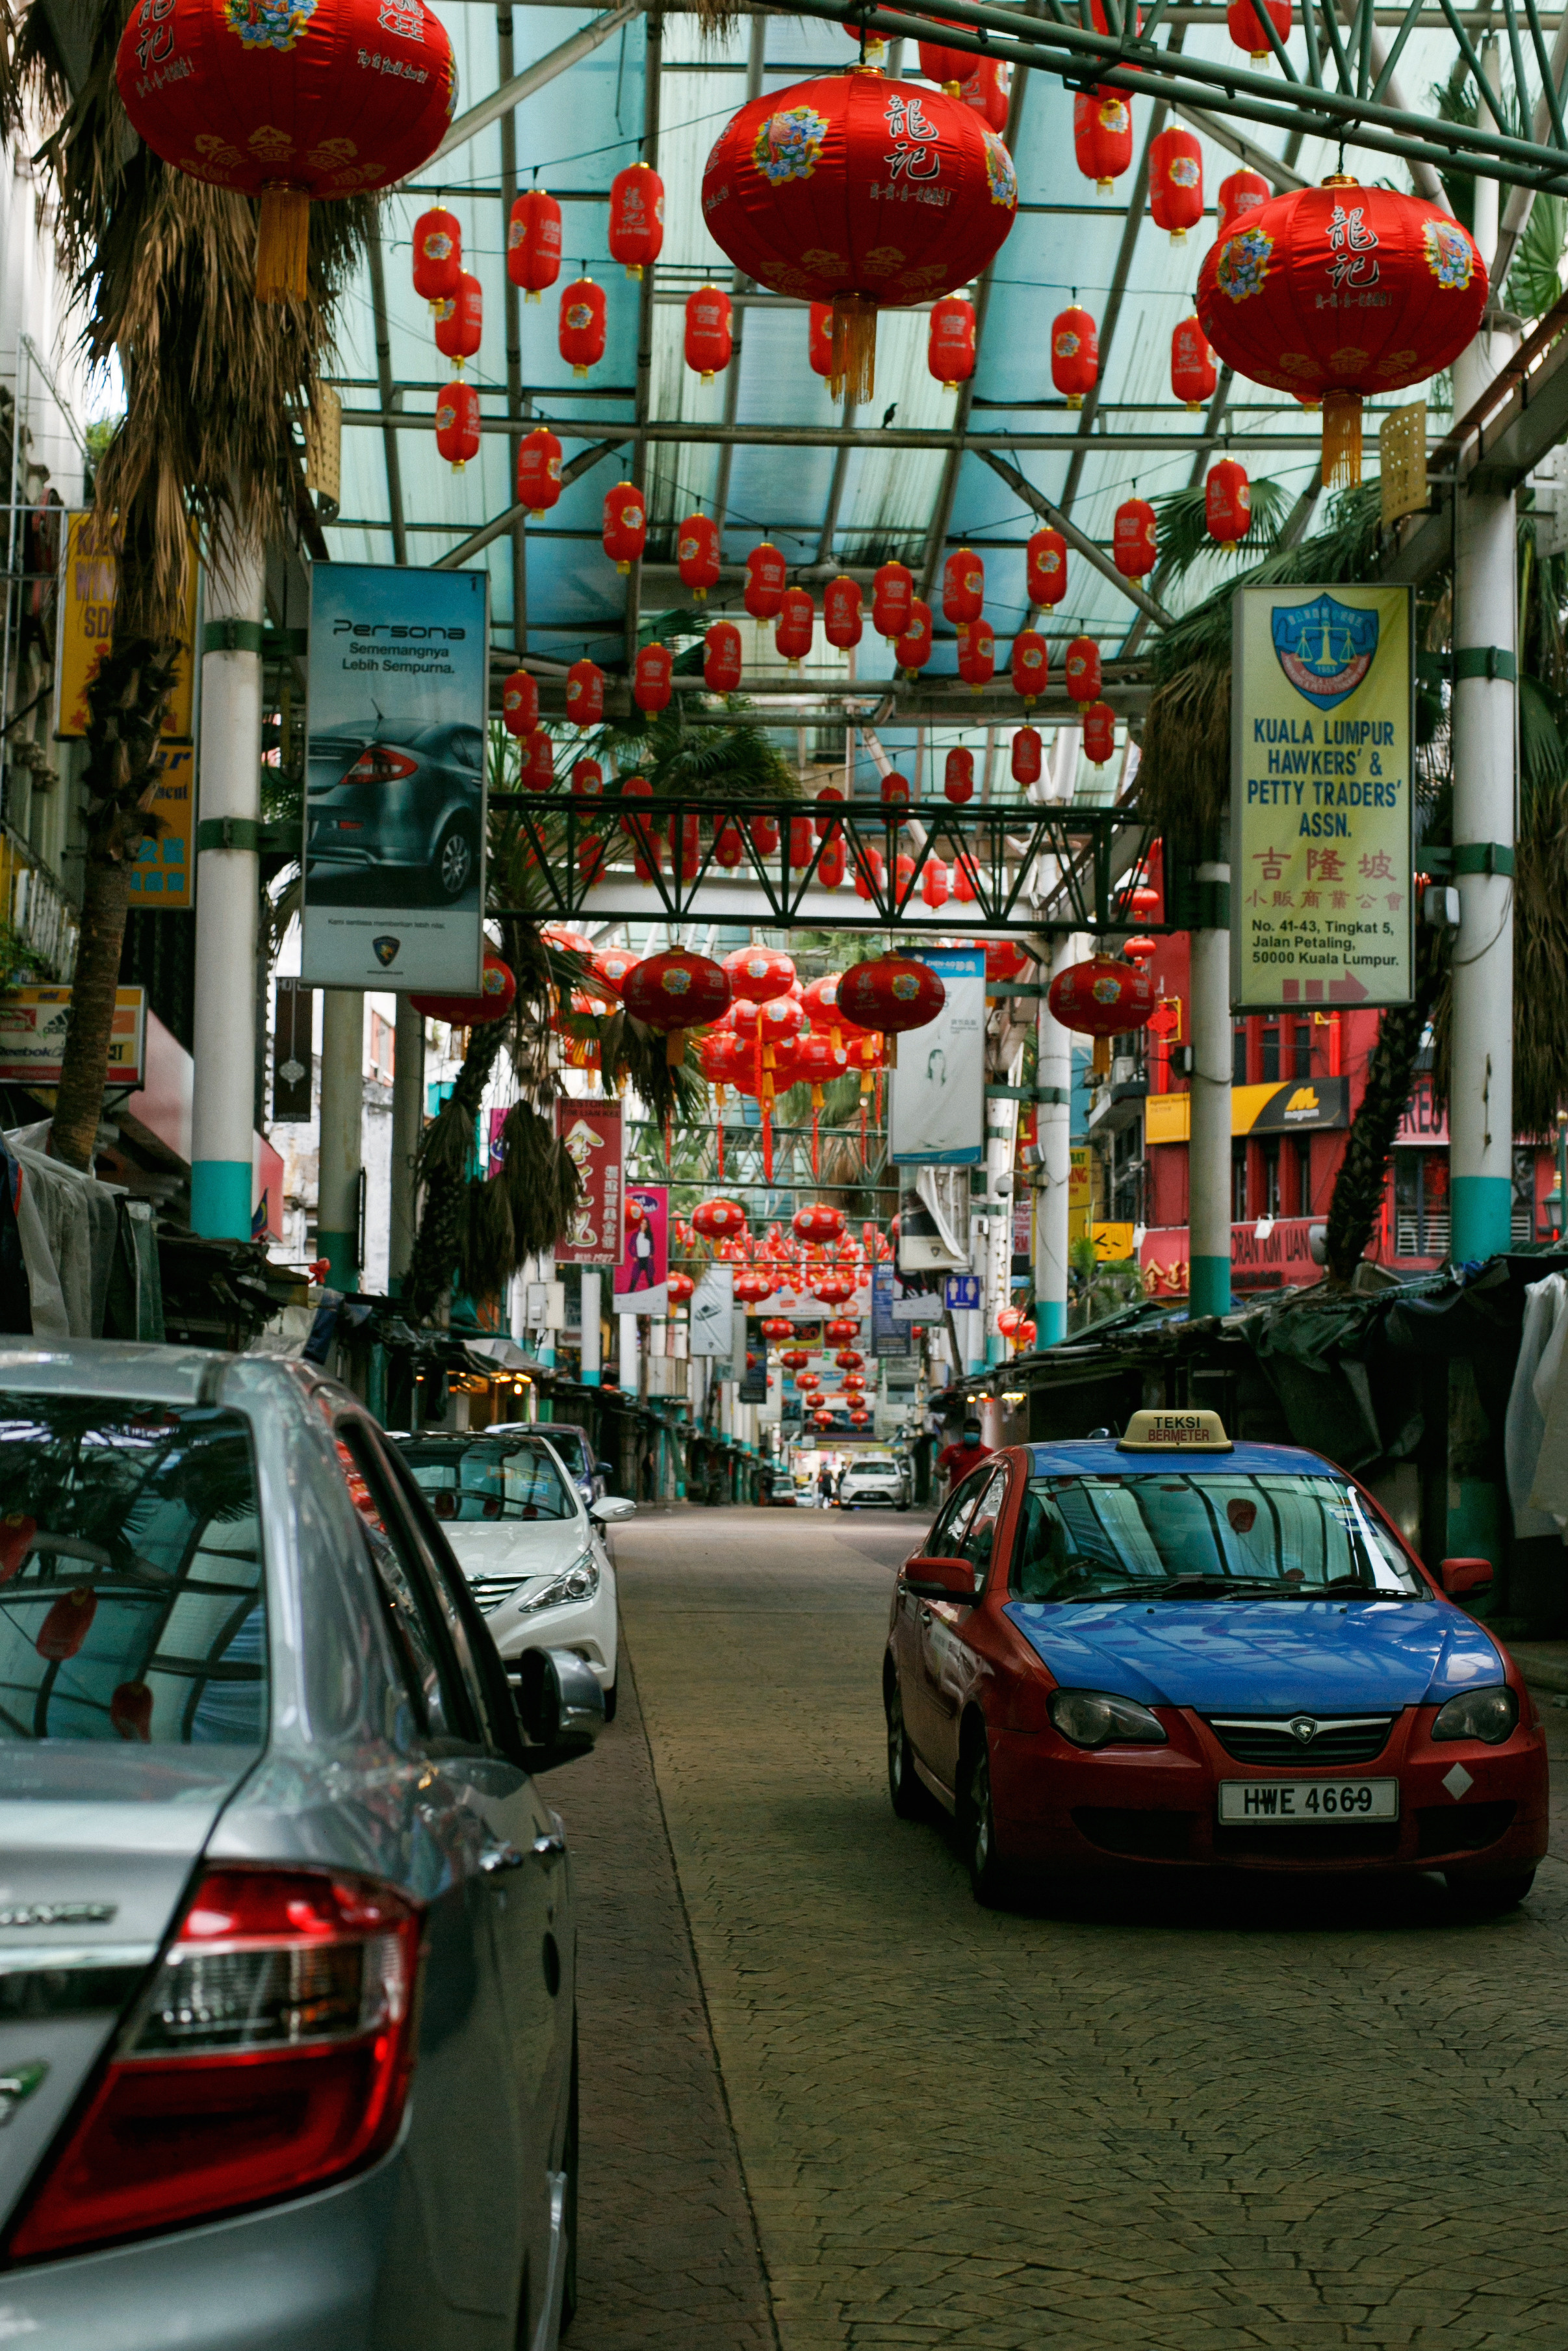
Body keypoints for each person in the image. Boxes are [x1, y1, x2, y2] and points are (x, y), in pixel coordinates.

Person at [935, 1416, 992, 1497]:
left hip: (980, 1499)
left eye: (975, 1432)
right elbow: (938, 1467)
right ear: (964, 1433)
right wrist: (941, 1474)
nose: (971, 1434)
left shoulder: (989, 1454)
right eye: (968, 1431)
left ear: (980, 1434)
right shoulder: (952, 1451)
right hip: (958, 1499)